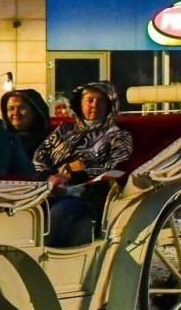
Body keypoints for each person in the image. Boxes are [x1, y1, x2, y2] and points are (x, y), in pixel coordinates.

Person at [32, 81, 133, 247]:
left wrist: (74, 175)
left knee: (62, 211)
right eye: (89, 100)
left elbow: (116, 167)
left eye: (100, 101)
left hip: (88, 194)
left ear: (109, 105)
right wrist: (50, 178)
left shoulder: (119, 137)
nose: (94, 105)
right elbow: (39, 157)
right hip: (48, 188)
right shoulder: (64, 131)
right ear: (80, 104)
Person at [1, 87, 51, 158]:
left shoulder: (49, 143)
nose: (15, 113)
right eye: (11, 109)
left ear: (35, 112)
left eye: (22, 108)